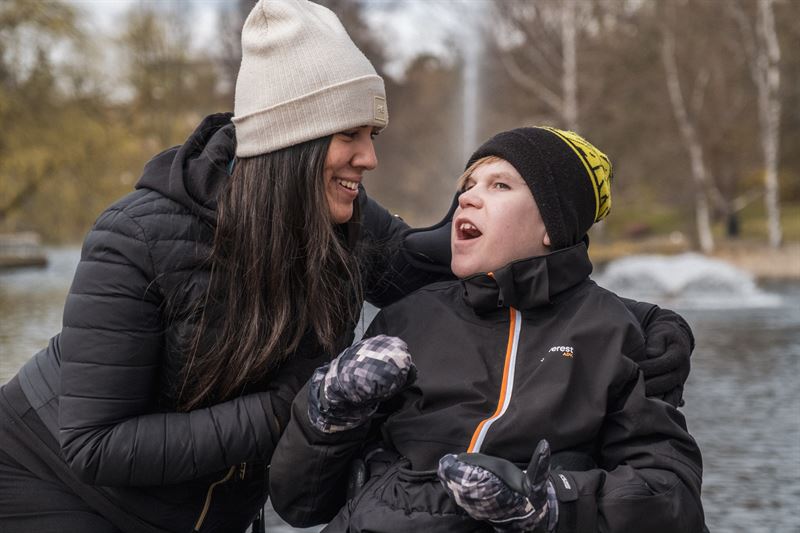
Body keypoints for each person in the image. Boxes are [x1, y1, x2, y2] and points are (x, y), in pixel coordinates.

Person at [0, 1, 692, 532]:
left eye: (375, 135)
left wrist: (635, 323)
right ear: (293, 142)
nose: (371, 157)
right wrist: (307, 402)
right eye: (352, 135)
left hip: (202, 510)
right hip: (48, 481)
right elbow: (95, 444)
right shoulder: (136, 239)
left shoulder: (346, 228)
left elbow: (457, 263)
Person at [269, 127, 706, 532]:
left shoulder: (615, 335)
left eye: (499, 185)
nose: (467, 199)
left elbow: (672, 497)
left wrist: (549, 505)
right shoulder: (406, 320)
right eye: (466, 187)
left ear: (553, 225)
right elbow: (301, 503)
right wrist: (328, 411)